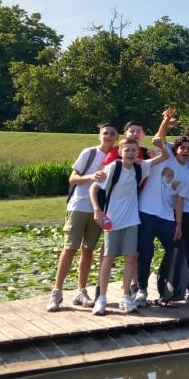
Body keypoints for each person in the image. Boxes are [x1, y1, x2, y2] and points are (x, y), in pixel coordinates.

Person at [47, 122, 118, 311]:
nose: (108, 136)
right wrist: (91, 177)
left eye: (112, 134)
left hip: (98, 209)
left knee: (88, 250)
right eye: (105, 133)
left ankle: (81, 291)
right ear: (99, 136)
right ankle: (56, 292)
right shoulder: (90, 153)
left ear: (116, 137)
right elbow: (72, 178)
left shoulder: (116, 156)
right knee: (69, 248)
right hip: (79, 205)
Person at [90, 137, 164, 315]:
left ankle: (125, 297)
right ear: (121, 151)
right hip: (113, 221)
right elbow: (93, 188)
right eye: (127, 150)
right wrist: (97, 211)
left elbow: (165, 156)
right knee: (108, 258)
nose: (131, 153)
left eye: (134, 150)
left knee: (131, 258)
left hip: (132, 221)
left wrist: (159, 142)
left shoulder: (141, 167)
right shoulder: (113, 167)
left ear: (138, 152)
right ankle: (102, 298)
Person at [134, 110, 189, 307]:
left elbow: (179, 201)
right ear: (176, 149)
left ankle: (176, 288)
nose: (185, 151)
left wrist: (178, 224)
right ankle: (141, 290)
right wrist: (165, 121)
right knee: (146, 253)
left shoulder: (188, 175)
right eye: (183, 147)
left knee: (178, 250)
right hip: (146, 212)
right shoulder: (166, 157)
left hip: (166, 218)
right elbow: (158, 139)